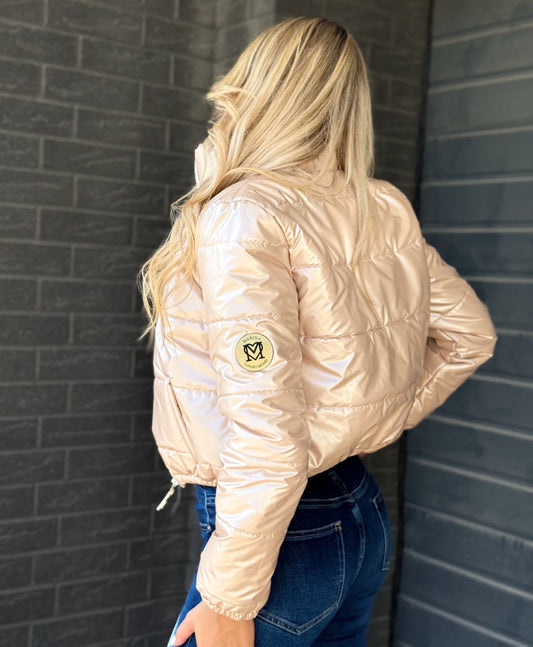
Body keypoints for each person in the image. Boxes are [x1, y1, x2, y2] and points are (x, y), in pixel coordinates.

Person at [137, 16, 498, 647]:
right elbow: (470, 335)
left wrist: (227, 597)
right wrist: (357, 422)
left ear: (250, 88)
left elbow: (269, 431)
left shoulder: (245, 215)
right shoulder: (380, 206)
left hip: (279, 545)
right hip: (357, 515)